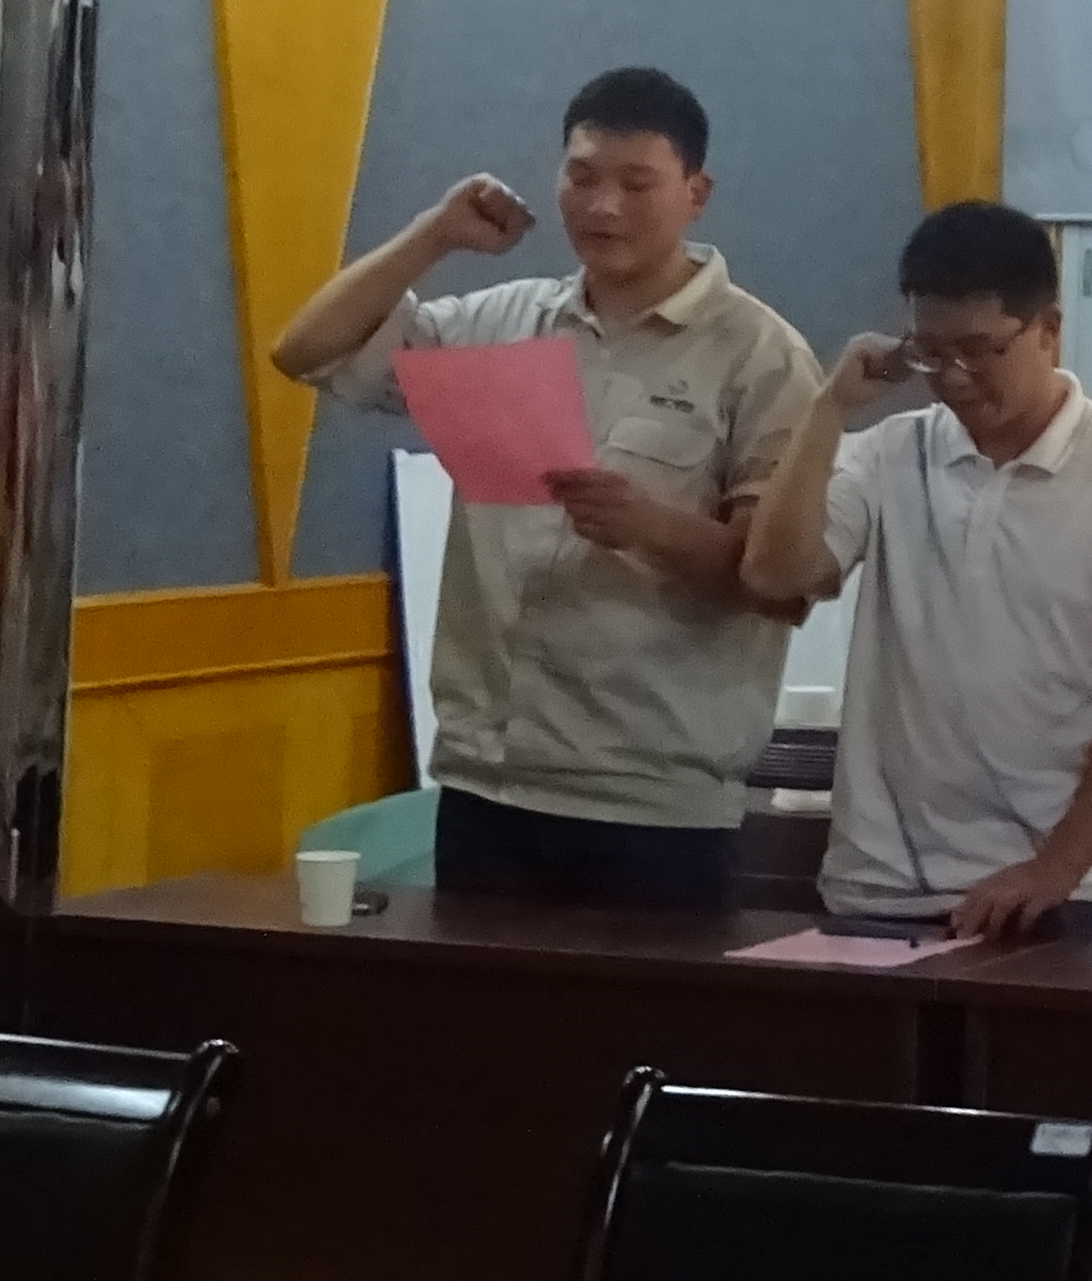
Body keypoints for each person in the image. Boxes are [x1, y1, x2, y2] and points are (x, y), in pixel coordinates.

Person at [272, 66, 819, 911]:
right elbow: (304, 350)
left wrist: (646, 524)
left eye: (636, 183)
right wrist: (435, 235)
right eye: (582, 177)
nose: (604, 207)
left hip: (652, 802)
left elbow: (777, 584)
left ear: (696, 193)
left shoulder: (762, 357)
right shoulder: (504, 322)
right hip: (486, 778)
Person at [739, 201, 1092, 940]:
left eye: (980, 350)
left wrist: (1053, 871)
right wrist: (829, 409)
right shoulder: (892, 455)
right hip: (878, 885)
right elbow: (773, 576)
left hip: (1055, 894)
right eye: (930, 353)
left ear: (1048, 329)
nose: (954, 378)